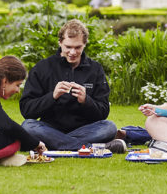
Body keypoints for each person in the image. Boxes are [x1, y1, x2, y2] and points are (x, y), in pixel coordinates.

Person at [20, 19, 126, 152]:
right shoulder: (42, 68)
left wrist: (86, 101)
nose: (72, 52)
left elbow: (103, 112)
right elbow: (27, 111)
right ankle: (89, 147)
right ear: (60, 43)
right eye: (68, 47)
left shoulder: (95, 69)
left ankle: (55, 143)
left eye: (78, 47)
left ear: (85, 44)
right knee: (28, 126)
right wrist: (52, 96)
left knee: (109, 127)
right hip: (49, 127)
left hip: (85, 129)